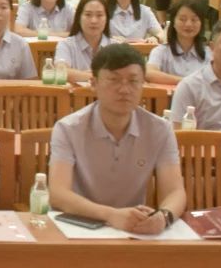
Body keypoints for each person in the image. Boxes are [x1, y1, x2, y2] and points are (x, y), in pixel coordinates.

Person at [49, 44, 186, 234]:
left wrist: (164, 216)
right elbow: (58, 194)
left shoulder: (160, 129)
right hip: (79, 225)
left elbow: (174, 191)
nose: (124, 89)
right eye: (114, 80)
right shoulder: (68, 128)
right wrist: (111, 215)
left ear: (143, 84)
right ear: (93, 84)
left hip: (134, 228)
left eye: (133, 81)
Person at [147, 0, 212, 84]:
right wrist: (186, 83)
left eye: (194, 20)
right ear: (173, 22)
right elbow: (150, 74)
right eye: (182, 19)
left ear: (201, 24)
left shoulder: (209, 53)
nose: (188, 24)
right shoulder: (161, 51)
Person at [56, 0, 112, 83]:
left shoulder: (116, 47)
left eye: (99, 15)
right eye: (88, 15)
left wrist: (81, 75)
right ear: (79, 17)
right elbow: (61, 71)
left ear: (107, 19)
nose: (93, 21)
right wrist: (99, 76)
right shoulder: (66, 45)